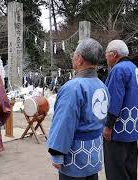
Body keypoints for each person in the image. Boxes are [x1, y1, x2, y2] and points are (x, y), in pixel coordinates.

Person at [47, 38, 109, 180]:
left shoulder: (73, 87)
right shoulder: (102, 86)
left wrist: (57, 153)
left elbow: (64, 123)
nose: (73, 57)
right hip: (94, 152)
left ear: (80, 59)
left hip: (75, 155)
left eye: (74, 54)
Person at [103, 40, 138, 180]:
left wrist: (108, 125)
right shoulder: (134, 68)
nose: (106, 57)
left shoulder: (118, 69)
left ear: (114, 54)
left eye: (107, 54)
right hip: (133, 127)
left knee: (116, 170)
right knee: (129, 169)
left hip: (119, 129)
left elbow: (114, 100)